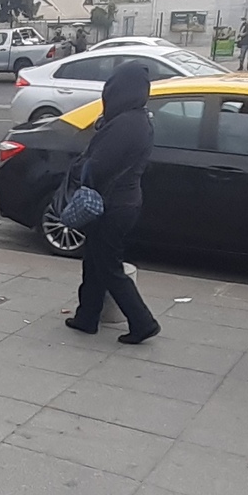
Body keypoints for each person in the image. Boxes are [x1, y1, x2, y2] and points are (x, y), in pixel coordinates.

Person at [64, 62, 161, 343]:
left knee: (108, 266)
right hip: (122, 202)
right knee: (94, 261)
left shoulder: (127, 124)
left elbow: (99, 166)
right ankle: (87, 316)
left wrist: (80, 169)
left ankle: (143, 321)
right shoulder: (134, 119)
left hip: (113, 205)